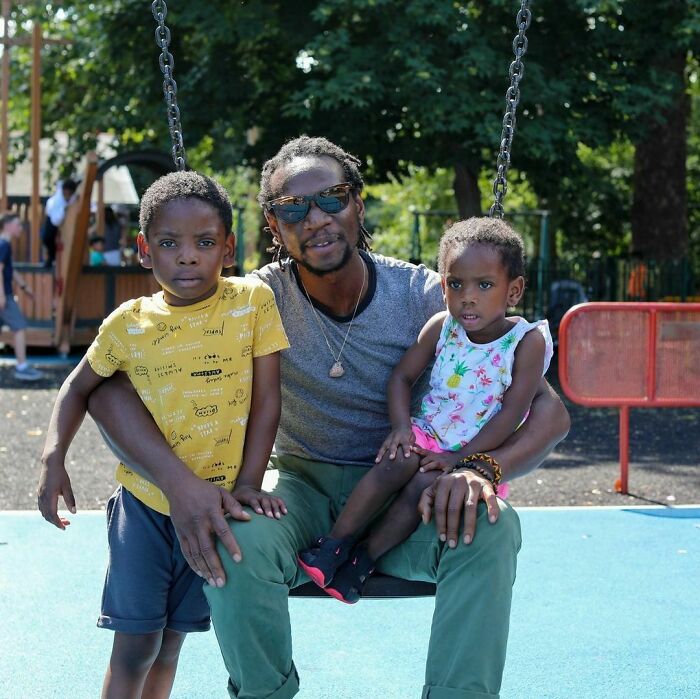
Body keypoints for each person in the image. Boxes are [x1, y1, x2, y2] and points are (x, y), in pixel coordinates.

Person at [85, 136, 570, 699]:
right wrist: (180, 485)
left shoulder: (428, 298)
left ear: (358, 205)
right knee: (232, 540)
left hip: (406, 492)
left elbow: (549, 412)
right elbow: (105, 390)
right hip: (300, 487)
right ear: (273, 226)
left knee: (490, 523)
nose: (315, 218)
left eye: (332, 199)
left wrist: (482, 467)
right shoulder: (250, 301)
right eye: (293, 208)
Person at [37, 171, 289, 699]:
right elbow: (77, 387)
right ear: (145, 251)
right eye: (170, 244)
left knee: (172, 640)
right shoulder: (127, 324)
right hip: (145, 508)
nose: (188, 257)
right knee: (135, 646)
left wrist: (248, 482)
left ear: (228, 248)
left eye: (204, 243)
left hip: (217, 506)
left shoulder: (252, 303)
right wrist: (52, 458)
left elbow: (268, 402)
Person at [298, 217, 553, 602]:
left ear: (513, 290)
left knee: (421, 485)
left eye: (485, 285)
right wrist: (401, 428)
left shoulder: (526, 343)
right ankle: (333, 546)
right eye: (455, 284)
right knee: (395, 462)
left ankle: (363, 561)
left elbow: (512, 412)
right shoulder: (442, 326)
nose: (468, 296)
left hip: (472, 450)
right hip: (426, 433)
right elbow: (401, 378)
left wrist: (460, 459)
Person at [0, 212, 44, 381]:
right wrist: (2, 295)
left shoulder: (5, 245)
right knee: (19, 326)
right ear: (7, 225)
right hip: (4, 295)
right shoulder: (3, 244)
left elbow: (10, 270)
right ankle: (22, 367)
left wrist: (25, 288)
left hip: (5, 294)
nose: (20, 228)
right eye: (18, 224)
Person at [40, 178, 77, 267]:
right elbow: (56, 220)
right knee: (47, 238)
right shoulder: (56, 201)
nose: (67, 196)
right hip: (54, 219)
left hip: (65, 222)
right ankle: (51, 258)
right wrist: (63, 211)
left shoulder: (73, 198)